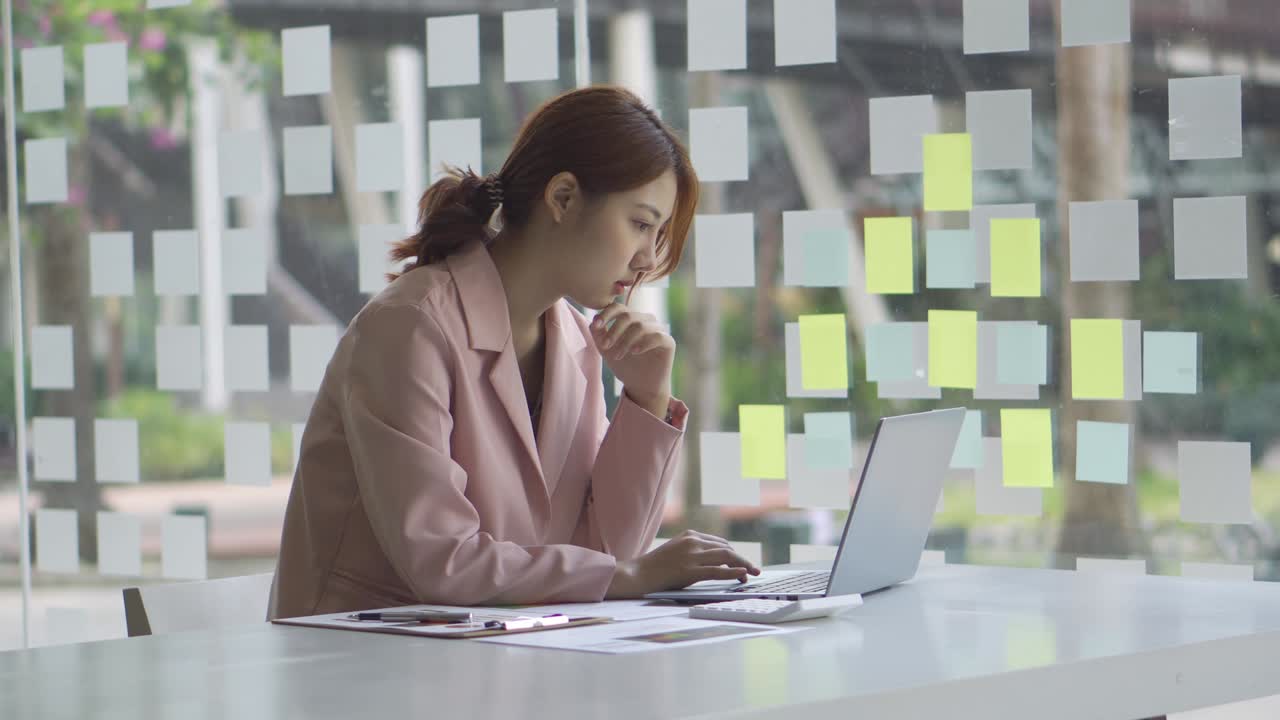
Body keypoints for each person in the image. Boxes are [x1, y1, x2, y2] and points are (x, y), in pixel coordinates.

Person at [268, 85, 760, 619]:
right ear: (564, 198)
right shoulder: (410, 326)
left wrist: (647, 399)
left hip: (494, 650)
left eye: (658, 232)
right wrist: (635, 575)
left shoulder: (575, 342)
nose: (648, 258)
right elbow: (443, 562)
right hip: (357, 666)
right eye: (640, 224)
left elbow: (607, 557)